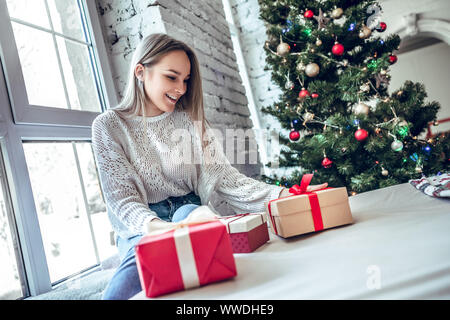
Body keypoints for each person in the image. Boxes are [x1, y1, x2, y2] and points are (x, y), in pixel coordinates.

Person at [91, 33, 327, 300]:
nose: (181, 88)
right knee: (127, 282)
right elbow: (122, 201)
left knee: (196, 230)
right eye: (172, 77)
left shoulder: (190, 121)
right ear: (141, 72)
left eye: (186, 80)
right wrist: (157, 228)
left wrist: (286, 194)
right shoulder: (109, 125)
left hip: (189, 210)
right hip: (143, 223)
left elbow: (228, 180)